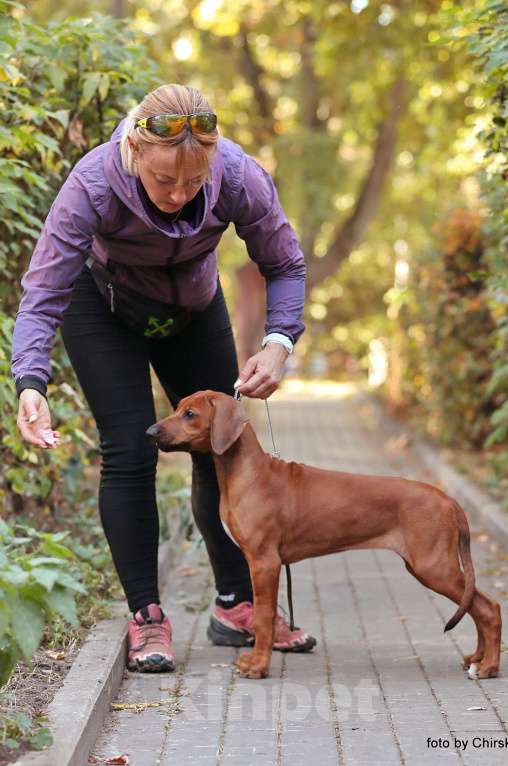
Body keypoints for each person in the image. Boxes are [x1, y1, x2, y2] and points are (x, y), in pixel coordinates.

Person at [12, 83, 316, 672]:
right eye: (163, 182)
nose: (178, 195)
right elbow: (43, 291)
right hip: (102, 309)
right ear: (132, 150)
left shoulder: (239, 175)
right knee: (129, 448)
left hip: (193, 308)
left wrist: (279, 344)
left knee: (221, 445)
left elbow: (284, 263)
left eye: (193, 183)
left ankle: (235, 606)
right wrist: (31, 382)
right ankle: (146, 615)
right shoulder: (93, 184)